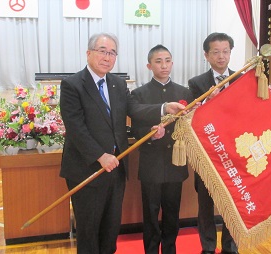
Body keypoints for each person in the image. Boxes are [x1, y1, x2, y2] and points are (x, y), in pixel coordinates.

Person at [59, 33, 186, 254]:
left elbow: (135, 109)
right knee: (89, 231)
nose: (107, 57)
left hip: (116, 168)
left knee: (110, 229)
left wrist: (164, 108)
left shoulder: (117, 83)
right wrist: (100, 156)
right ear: (89, 53)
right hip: (87, 170)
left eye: (112, 53)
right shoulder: (72, 85)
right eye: (102, 51)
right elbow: (76, 128)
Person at [130, 45, 193, 254]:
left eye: (167, 60)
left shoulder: (185, 92)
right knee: (150, 213)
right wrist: (149, 132)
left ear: (172, 63)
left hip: (176, 162)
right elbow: (135, 128)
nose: (164, 65)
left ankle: (170, 250)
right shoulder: (139, 94)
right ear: (149, 65)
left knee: (172, 214)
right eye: (158, 61)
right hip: (151, 163)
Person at [188, 32, 242, 254]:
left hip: (235, 154)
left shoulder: (241, 79)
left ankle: (231, 246)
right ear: (206, 55)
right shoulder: (196, 83)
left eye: (226, 51)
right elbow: (190, 117)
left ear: (230, 52)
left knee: (233, 204)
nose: (221, 56)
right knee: (206, 205)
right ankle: (208, 247)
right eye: (216, 52)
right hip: (208, 154)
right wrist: (206, 105)